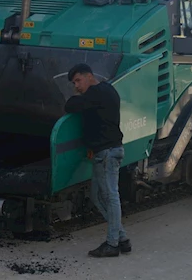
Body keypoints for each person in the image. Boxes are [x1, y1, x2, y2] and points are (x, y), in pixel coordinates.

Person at [65, 63, 131, 258]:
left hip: (107, 153)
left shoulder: (95, 93)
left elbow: (70, 105)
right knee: (97, 196)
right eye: (73, 83)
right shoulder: (107, 89)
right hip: (107, 152)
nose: (76, 86)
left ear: (89, 76)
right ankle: (122, 238)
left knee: (110, 196)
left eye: (78, 80)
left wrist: (77, 98)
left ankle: (112, 244)